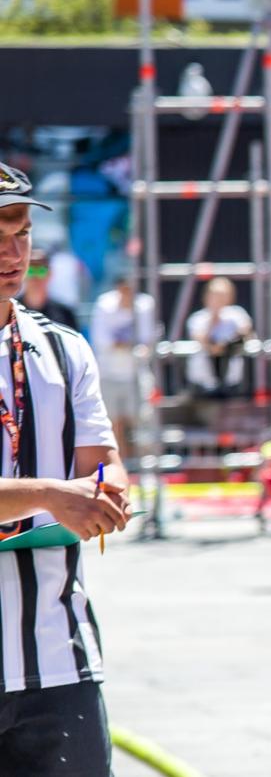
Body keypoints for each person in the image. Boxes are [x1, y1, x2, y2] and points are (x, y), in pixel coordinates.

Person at [0, 162, 134, 775]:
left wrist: (108, 497)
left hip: (60, 660)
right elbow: (63, 487)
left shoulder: (64, 347)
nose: (12, 251)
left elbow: (105, 465)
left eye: (22, 233)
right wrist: (53, 495)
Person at [88, 274, 158, 452]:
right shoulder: (104, 304)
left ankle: (143, 468)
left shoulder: (144, 305)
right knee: (112, 424)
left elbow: (146, 340)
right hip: (109, 373)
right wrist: (127, 345)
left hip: (136, 373)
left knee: (141, 423)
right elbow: (102, 341)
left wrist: (121, 344)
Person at [185, 276, 254, 397]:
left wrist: (226, 344)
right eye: (215, 295)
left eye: (223, 295)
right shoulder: (198, 318)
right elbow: (200, 338)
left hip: (232, 382)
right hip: (202, 382)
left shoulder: (237, 314)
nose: (219, 300)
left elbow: (246, 332)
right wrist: (214, 318)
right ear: (206, 296)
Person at [20, 250, 76, 331]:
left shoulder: (65, 314)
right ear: (23, 275)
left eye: (41, 271)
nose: (35, 278)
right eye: (31, 271)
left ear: (50, 274)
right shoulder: (11, 311)